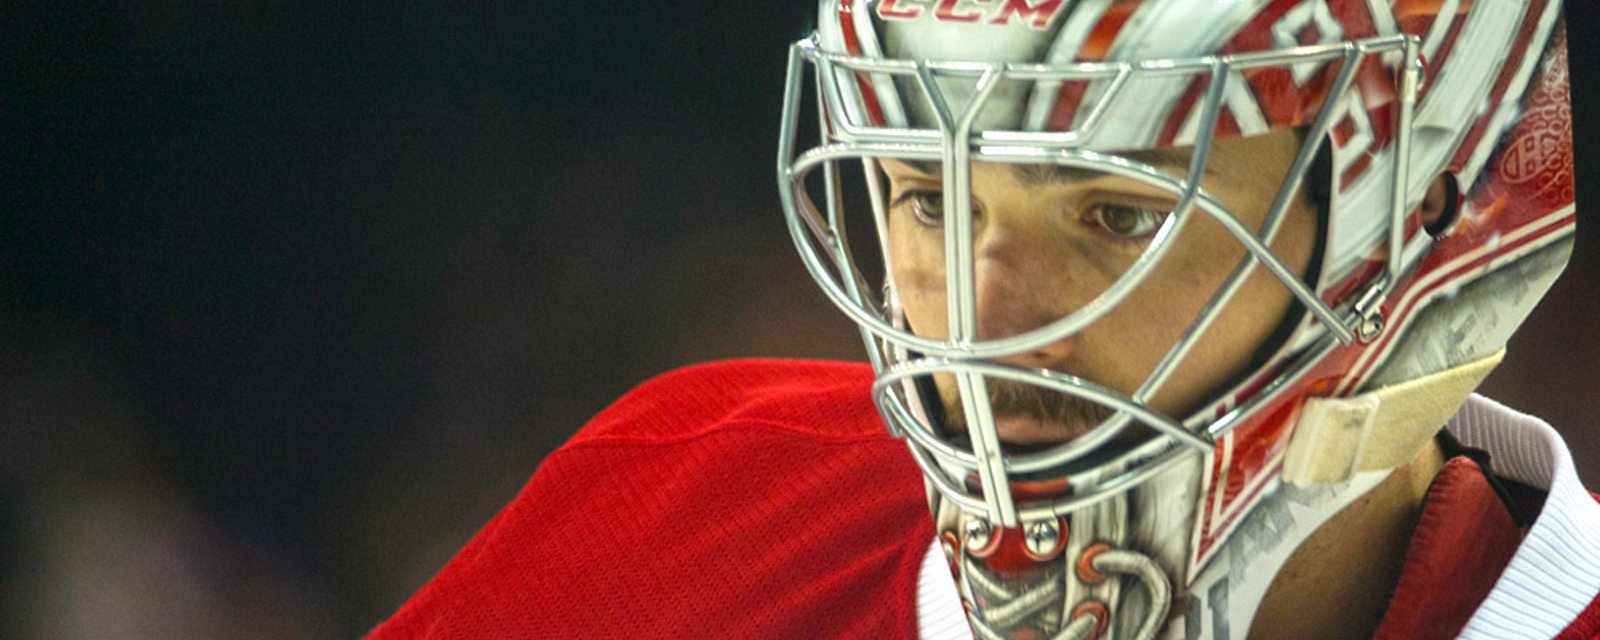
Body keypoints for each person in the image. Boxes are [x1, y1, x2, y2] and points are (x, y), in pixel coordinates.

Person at [372, 1, 1597, 638]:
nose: (981, 328)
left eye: (1119, 215)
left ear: (1432, 203)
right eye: (925, 194)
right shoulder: (672, 511)